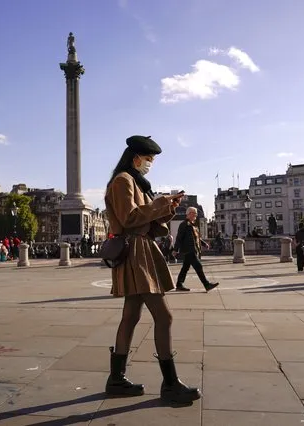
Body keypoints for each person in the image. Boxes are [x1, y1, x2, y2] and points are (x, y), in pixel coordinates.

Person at [104, 135, 201, 404]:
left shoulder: (136, 182)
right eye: (148, 159)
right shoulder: (123, 180)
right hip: (135, 252)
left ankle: (116, 379)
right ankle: (170, 384)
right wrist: (158, 203)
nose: (149, 164)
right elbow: (130, 218)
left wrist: (167, 207)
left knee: (131, 316)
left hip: (141, 248)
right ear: (135, 157)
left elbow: (149, 221)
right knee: (164, 316)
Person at [173, 207, 219, 292]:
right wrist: (175, 249)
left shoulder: (193, 225)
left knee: (185, 268)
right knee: (198, 266)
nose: (196, 215)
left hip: (193, 249)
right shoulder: (184, 224)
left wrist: (204, 243)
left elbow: (196, 238)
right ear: (189, 214)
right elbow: (179, 237)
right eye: (194, 213)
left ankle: (179, 284)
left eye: (196, 213)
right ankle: (206, 284)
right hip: (189, 249)